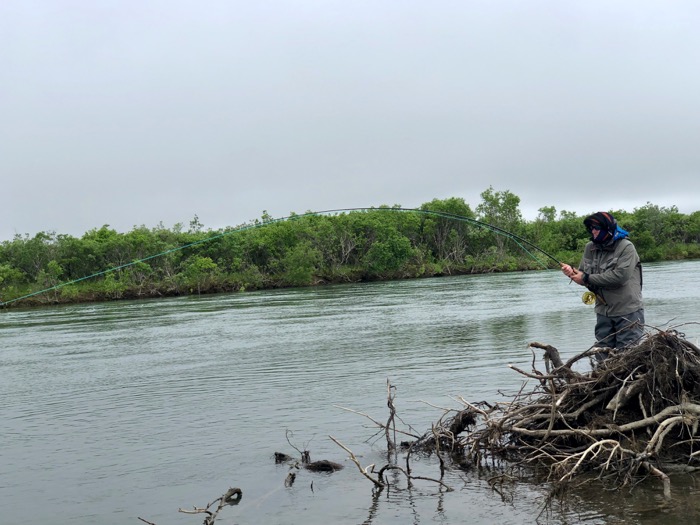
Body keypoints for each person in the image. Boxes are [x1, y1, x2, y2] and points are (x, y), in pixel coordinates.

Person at [561, 211, 644, 358]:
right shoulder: (590, 247)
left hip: (627, 311)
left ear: (607, 228)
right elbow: (584, 274)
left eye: (596, 228)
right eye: (591, 228)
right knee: (602, 356)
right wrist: (572, 273)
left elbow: (620, 277)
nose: (593, 231)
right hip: (603, 312)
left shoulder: (626, 247)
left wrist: (585, 277)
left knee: (628, 357)